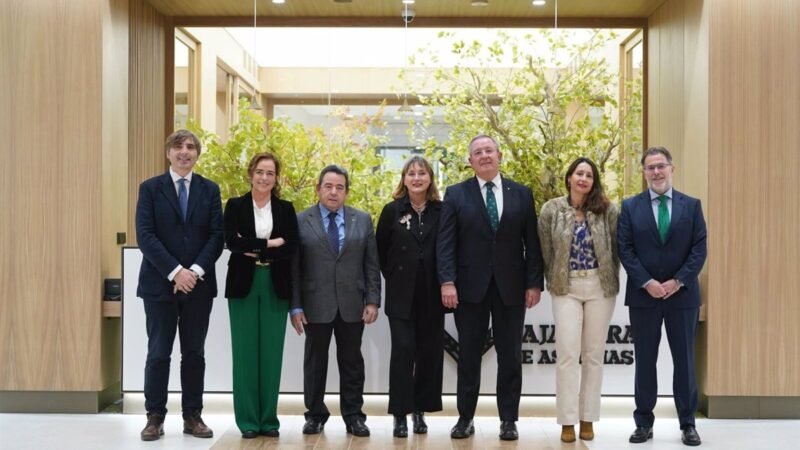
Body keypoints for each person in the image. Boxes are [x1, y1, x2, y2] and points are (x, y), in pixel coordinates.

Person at [437, 134, 545, 441]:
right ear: (470, 161)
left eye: (488, 150)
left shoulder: (521, 194)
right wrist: (447, 281)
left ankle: (508, 420)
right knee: (468, 355)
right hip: (469, 289)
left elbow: (532, 244)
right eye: (477, 152)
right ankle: (465, 418)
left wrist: (534, 282)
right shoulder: (456, 194)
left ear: (499, 155)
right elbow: (446, 243)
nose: (484, 156)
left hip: (511, 288)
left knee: (510, 356)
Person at [135, 129, 224, 441]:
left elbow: (217, 236)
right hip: (159, 285)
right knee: (158, 353)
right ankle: (154, 417)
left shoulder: (210, 190)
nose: (184, 152)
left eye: (190, 147)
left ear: (197, 154)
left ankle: (192, 416)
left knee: (194, 353)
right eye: (178, 147)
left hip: (199, 286)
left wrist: (194, 272)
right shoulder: (149, 189)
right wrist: (176, 272)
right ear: (168, 153)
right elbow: (145, 235)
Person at [617, 146, 707, 447]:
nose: (656, 172)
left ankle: (688, 423)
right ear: (644, 173)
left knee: (684, 361)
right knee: (645, 361)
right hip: (645, 297)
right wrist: (647, 282)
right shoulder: (630, 207)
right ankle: (643, 422)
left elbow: (699, 249)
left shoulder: (691, 206)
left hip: (682, 297)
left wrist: (678, 281)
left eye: (661, 166)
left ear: (672, 168)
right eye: (650, 168)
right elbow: (625, 249)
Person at [290, 164, 381, 437]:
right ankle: (315, 414)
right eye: (328, 186)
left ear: (346, 192)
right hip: (315, 303)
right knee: (315, 362)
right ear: (318, 189)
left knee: (352, 363)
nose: (333, 192)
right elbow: (293, 268)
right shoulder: (300, 220)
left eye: (339, 187)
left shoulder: (362, 220)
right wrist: (295, 306)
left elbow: (371, 264)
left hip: (353, 303)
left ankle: (353, 415)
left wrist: (373, 300)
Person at [538, 157, 620, 443]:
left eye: (589, 175)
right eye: (579, 173)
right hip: (566, 287)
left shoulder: (607, 210)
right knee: (568, 355)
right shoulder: (551, 209)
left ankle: (587, 418)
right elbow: (545, 250)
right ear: (569, 178)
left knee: (594, 356)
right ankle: (567, 421)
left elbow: (616, 247)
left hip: (600, 285)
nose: (583, 178)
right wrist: (556, 277)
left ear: (594, 181)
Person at [223, 152, 298, 439]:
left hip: (275, 284)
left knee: (271, 353)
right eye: (260, 172)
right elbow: (231, 242)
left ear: (276, 178)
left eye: (270, 173)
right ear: (251, 173)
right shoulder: (235, 205)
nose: (264, 177)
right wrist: (269, 243)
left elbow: (290, 246)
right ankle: (247, 421)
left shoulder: (286, 209)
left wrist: (252, 245)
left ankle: (269, 419)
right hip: (244, 283)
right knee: (244, 354)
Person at [376, 156, 445, 438]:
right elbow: (381, 251)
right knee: (403, 352)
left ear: (430, 178)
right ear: (404, 179)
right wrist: (394, 276)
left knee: (428, 354)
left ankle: (420, 410)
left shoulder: (442, 211)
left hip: (432, 293)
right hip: (401, 295)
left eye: (422, 173)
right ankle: (400, 415)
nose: (417, 178)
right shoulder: (392, 211)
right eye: (411, 173)